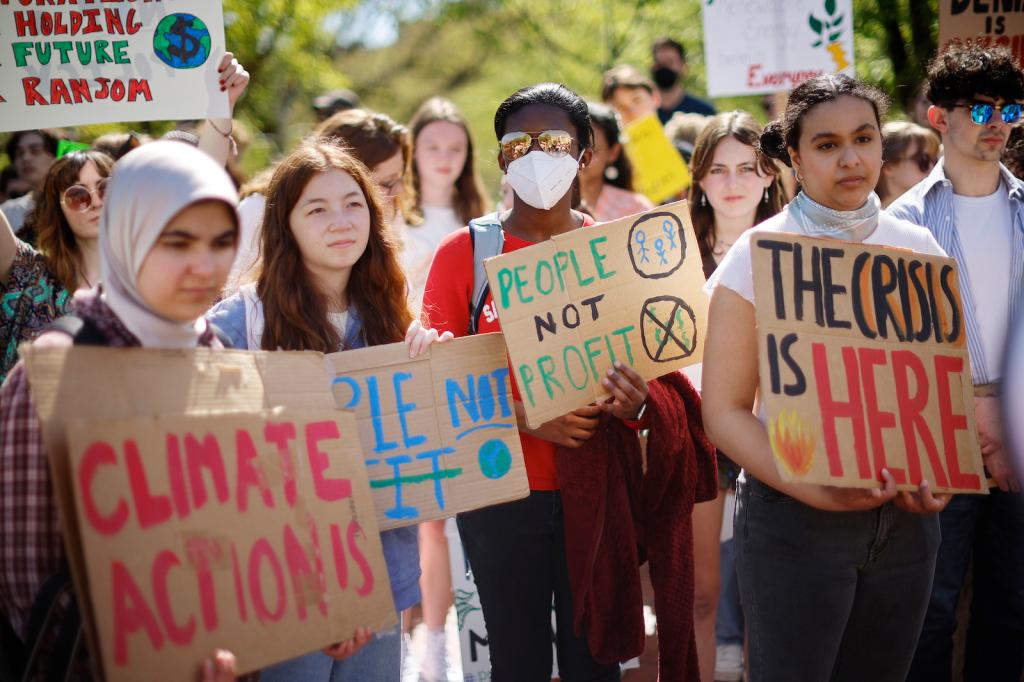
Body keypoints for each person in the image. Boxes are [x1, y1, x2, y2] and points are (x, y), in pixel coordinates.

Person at [423, 82, 715, 682]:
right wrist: (523, 412)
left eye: (555, 142)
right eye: (518, 143)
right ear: (501, 158)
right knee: (517, 657)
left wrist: (639, 404)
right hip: (500, 493)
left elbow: (661, 380)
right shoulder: (464, 254)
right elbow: (433, 376)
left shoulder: (618, 249)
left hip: (599, 494)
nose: (536, 156)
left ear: (586, 155)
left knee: (596, 657)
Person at [701, 74, 951, 682]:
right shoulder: (756, 254)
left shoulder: (920, 250)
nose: (851, 158)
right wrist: (810, 488)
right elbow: (725, 412)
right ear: (793, 156)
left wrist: (937, 475)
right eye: (827, 144)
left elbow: (938, 392)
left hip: (907, 525)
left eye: (864, 138)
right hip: (794, 522)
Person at [0, 140, 245, 682]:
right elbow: (27, 594)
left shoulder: (222, 359)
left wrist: (307, 612)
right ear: (127, 235)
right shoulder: (56, 370)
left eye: (221, 241)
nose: (203, 264)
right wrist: (166, 657)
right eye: (176, 241)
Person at [208, 139, 452, 682]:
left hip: (382, 575)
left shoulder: (394, 316)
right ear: (284, 224)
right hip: (283, 582)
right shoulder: (238, 322)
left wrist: (435, 364)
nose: (340, 221)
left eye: (353, 203)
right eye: (316, 209)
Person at [887, 44, 1024, 682]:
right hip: (937, 429)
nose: (999, 120)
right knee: (928, 610)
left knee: (1012, 609)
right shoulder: (901, 223)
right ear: (939, 116)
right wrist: (973, 410)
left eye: (1013, 106)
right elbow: (891, 345)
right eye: (981, 108)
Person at [686, 110, 784, 682]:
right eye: (719, 169)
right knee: (701, 592)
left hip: (773, 431)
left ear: (770, 175)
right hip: (698, 436)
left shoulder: (791, 247)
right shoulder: (668, 254)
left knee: (766, 593)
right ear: (700, 178)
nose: (733, 182)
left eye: (748, 168)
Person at [0, 150, 112, 384]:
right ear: (58, 210)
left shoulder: (152, 279)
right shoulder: (31, 273)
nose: (97, 202)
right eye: (78, 195)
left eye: (106, 188)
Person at [406, 97, 489, 314]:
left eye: (456, 149)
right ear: (412, 150)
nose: (445, 158)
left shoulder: (484, 221)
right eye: (433, 147)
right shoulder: (390, 216)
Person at [578, 102, 653, 221]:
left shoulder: (636, 209)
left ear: (613, 152)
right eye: (575, 147)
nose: (581, 157)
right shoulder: (546, 206)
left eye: (592, 150)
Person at [1, 129, 60, 235]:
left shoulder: (73, 203)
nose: (26, 158)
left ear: (56, 155)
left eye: (35, 150)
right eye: (19, 153)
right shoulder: (7, 212)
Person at [651, 37, 716, 123]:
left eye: (670, 62)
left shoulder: (703, 112)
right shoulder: (644, 112)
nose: (664, 67)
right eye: (659, 63)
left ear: (683, 67)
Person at [876, 121, 939, 207]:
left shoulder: (932, 214)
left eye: (936, 161)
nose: (932, 169)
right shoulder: (866, 218)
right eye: (923, 160)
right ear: (888, 166)